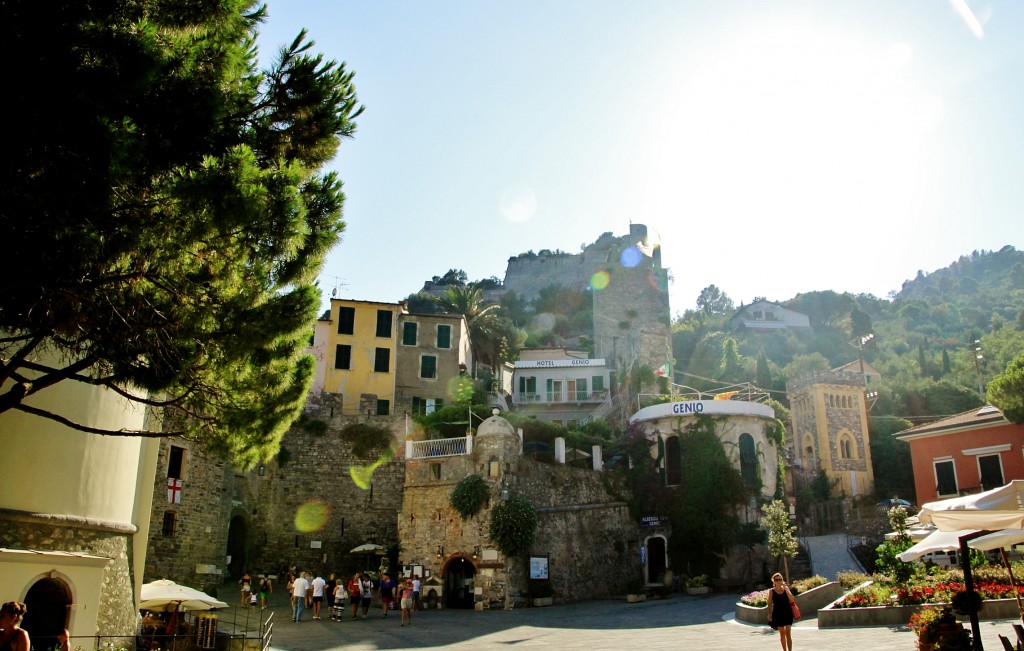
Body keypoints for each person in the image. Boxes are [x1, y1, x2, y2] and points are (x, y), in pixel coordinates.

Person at [766, 572, 796, 651]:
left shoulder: (786, 589)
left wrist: (786, 589)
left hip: (787, 612)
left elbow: (792, 599)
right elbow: (769, 603)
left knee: (788, 632)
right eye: (777, 580)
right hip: (778, 614)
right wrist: (769, 614)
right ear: (774, 581)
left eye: (780, 579)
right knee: (782, 633)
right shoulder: (772, 591)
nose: (779, 581)